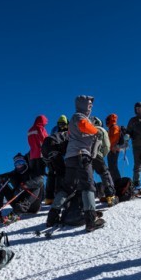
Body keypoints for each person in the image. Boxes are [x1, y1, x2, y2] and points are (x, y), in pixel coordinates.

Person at [47, 95, 105, 232]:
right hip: (81, 156)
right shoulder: (79, 116)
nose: (90, 106)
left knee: (68, 187)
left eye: (91, 104)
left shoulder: (76, 118)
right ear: (82, 105)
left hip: (71, 157)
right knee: (88, 186)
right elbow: (84, 126)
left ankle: (52, 217)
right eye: (89, 104)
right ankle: (91, 220)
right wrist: (96, 131)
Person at [0, 153, 45, 224]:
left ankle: (15, 214)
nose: (19, 165)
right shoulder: (13, 174)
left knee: (37, 185)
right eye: (17, 163)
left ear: (25, 162)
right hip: (16, 202)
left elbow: (40, 181)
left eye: (21, 162)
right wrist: (2, 178)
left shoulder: (32, 172)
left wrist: (26, 185)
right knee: (1, 185)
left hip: (33, 206)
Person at [91, 116, 117, 206]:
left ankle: (88, 198)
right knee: (104, 174)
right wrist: (103, 154)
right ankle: (110, 195)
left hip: (85, 156)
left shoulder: (87, 130)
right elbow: (107, 145)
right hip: (97, 155)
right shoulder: (101, 130)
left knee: (88, 177)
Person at [105, 114, 126, 182]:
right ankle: (116, 183)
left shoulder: (114, 127)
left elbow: (114, 138)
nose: (106, 121)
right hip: (113, 149)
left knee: (113, 167)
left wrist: (106, 142)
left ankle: (118, 183)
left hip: (113, 149)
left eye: (107, 120)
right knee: (112, 167)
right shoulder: (112, 128)